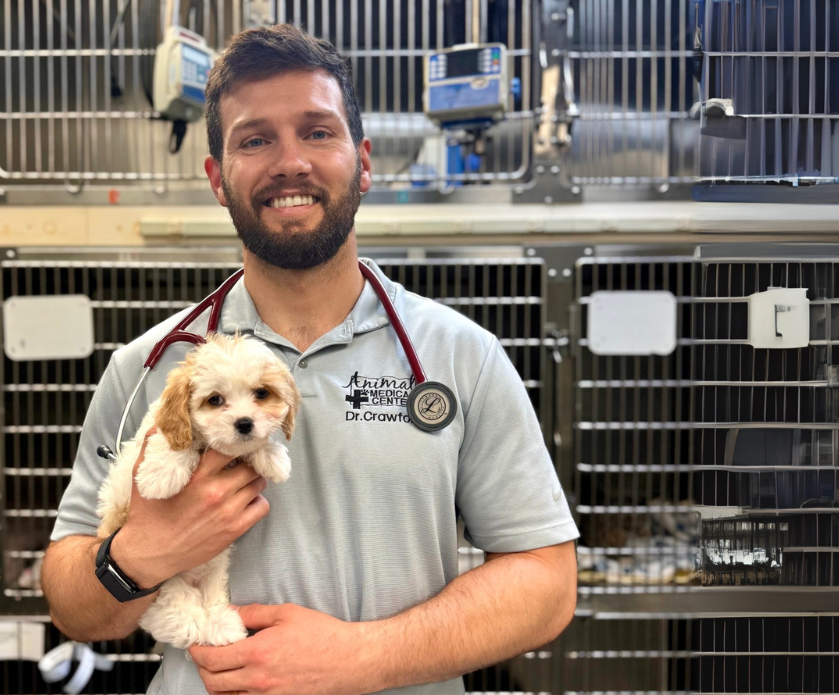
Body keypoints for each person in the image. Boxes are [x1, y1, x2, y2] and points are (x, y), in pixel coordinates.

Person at [41, 23, 578, 695]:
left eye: (317, 132)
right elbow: (68, 600)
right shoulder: (149, 365)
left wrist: (362, 657)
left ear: (363, 160)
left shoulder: (460, 356)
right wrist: (136, 555)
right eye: (255, 139)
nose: (288, 161)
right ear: (216, 177)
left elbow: (546, 582)